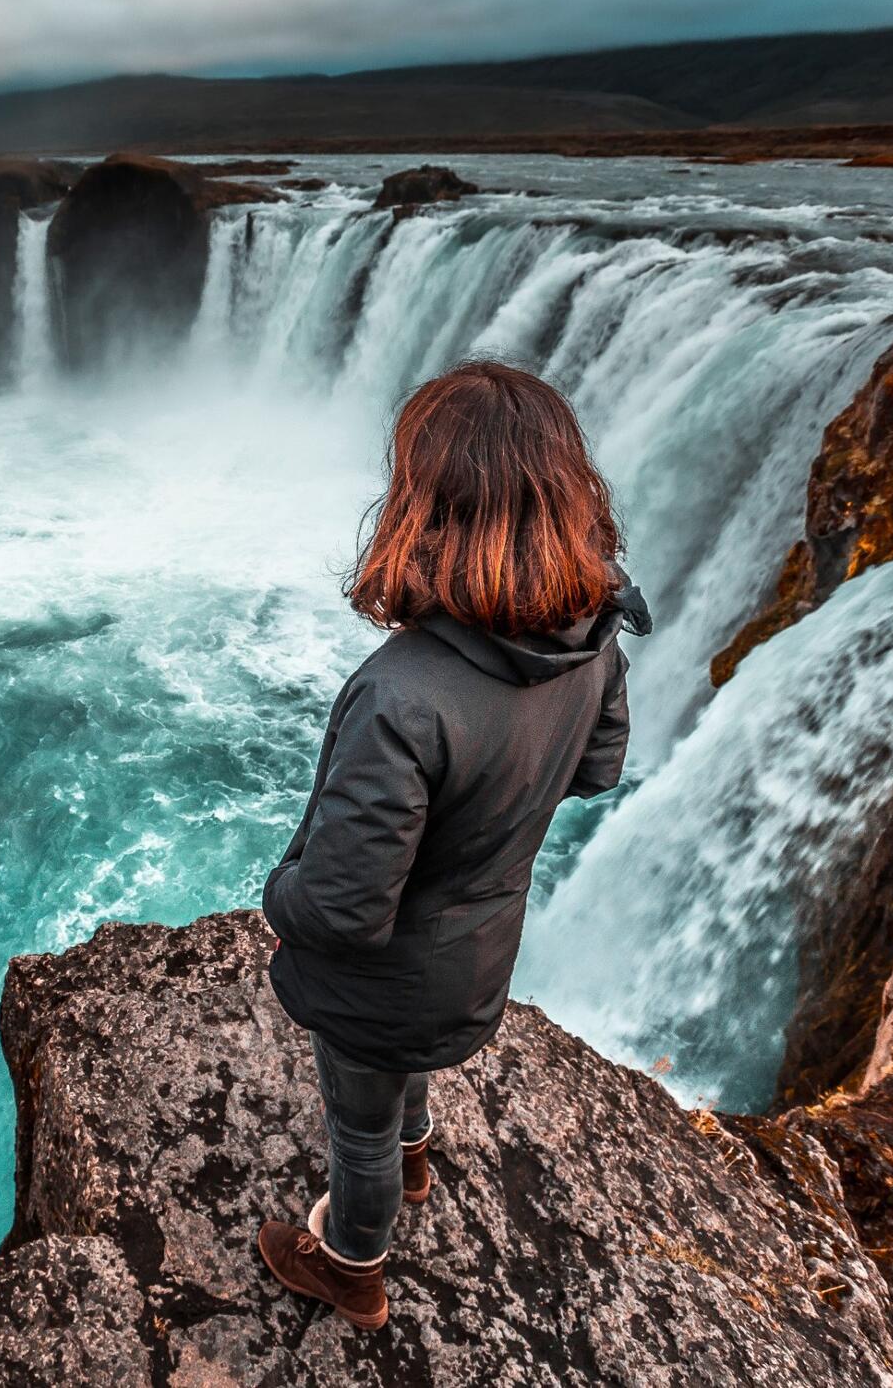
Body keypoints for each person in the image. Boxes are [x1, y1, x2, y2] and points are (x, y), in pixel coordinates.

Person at [257, 360, 650, 1330]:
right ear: (566, 497)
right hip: (478, 951)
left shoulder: (400, 697)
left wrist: (279, 895)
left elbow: (346, 910)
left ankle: (352, 1263)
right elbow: (597, 769)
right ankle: (419, 1154)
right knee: (404, 1079)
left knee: (359, 1124)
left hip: (381, 984)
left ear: (422, 509)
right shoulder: (590, 635)